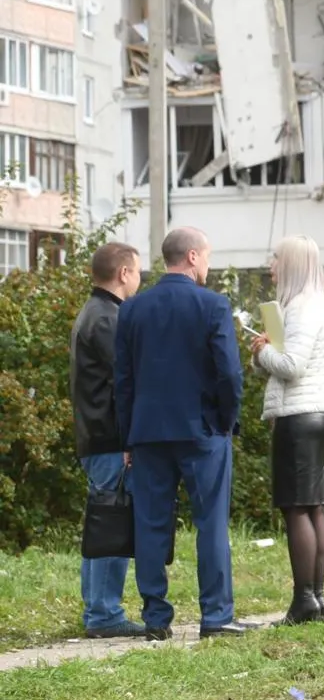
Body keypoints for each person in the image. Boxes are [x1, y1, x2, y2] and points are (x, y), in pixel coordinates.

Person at [114, 226, 250, 641]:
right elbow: (229, 372)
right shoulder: (213, 305)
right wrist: (227, 421)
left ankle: (156, 618)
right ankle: (216, 616)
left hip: (148, 432)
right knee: (210, 523)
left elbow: (123, 379)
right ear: (192, 257)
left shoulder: (133, 309)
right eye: (206, 257)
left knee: (150, 524)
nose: (208, 264)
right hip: (203, 430)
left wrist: (127, 437)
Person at [250, 235, 324, 625]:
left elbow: (291, 366)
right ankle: (316, 597)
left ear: (292, 265)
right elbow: (281, 362)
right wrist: (265, 352)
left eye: (276, 259)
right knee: (314, 506)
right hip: (319, 413)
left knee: (296, 508)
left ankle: (304, 599)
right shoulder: (316, 303)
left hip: (299, 417)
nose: (272, 266)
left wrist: (261, 351)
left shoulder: (302, 308)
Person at [70, 242, 146, 639]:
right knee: (114, 521)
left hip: (96, 436)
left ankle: (96, 606)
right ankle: (103, 613)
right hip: (109, 438)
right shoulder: (108, 318)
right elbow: (125, 380)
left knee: (103, 520)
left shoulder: (94, 312)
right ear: (122, 273)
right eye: (137, 271)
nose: (140, 278)